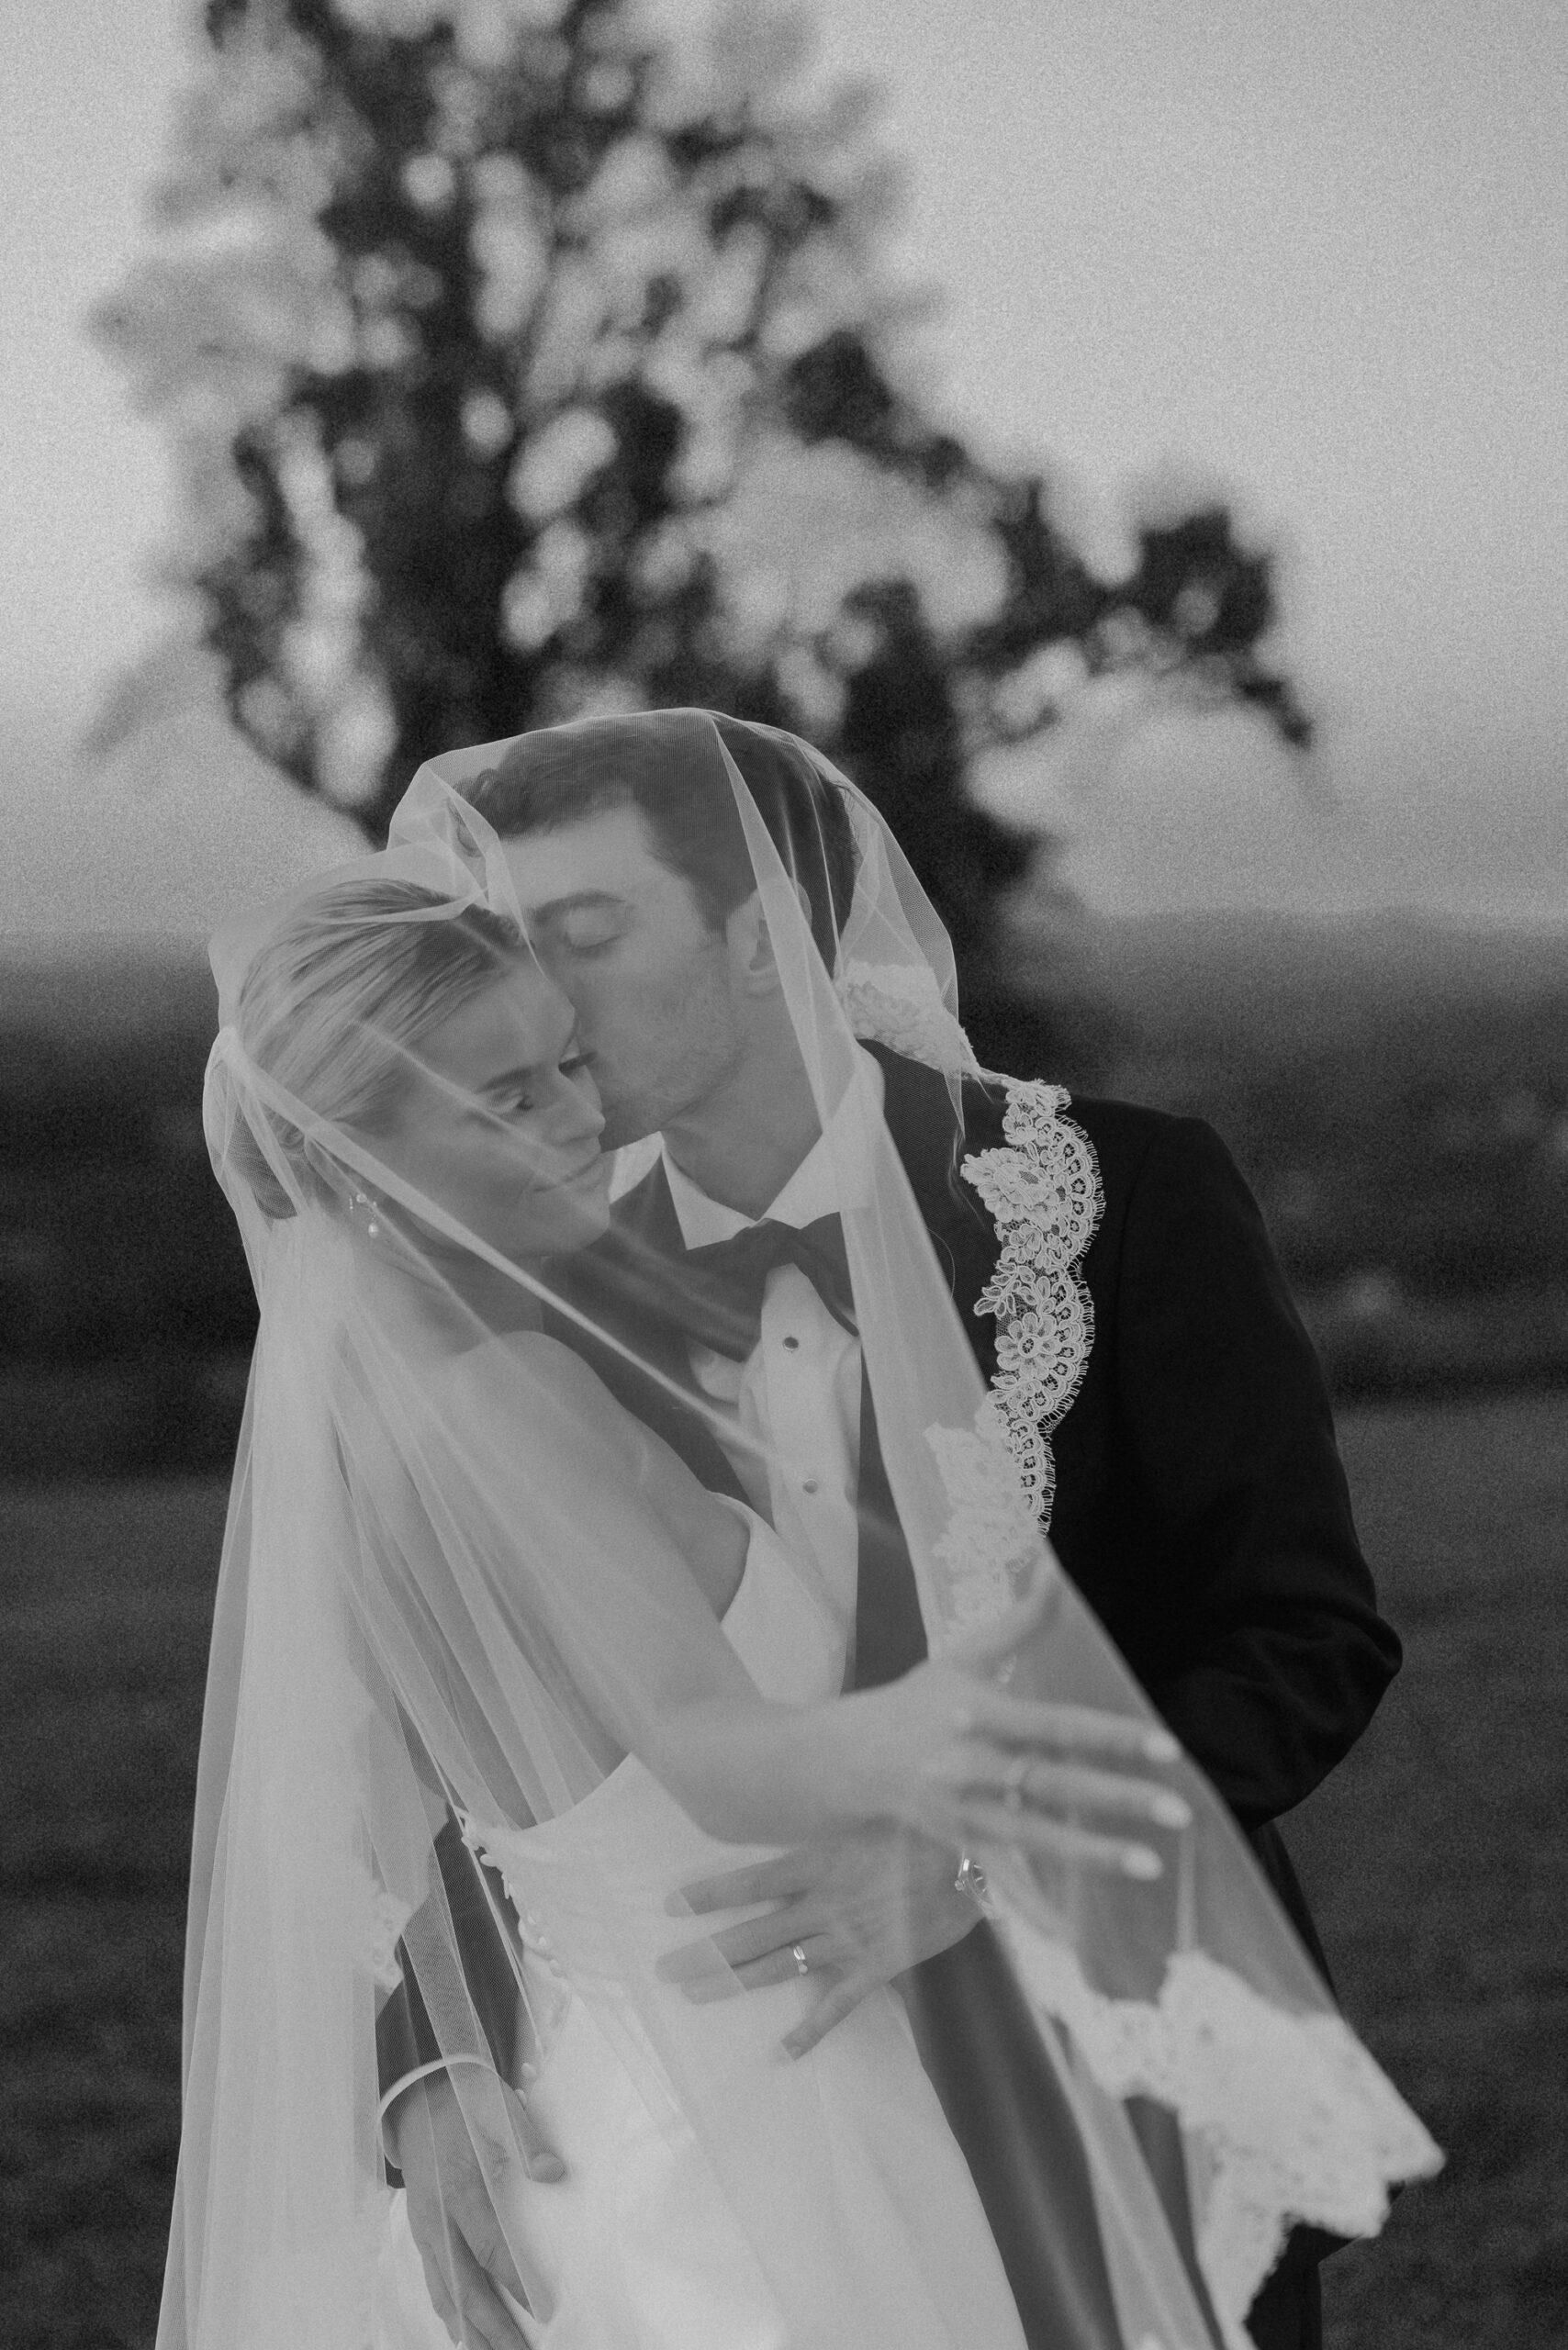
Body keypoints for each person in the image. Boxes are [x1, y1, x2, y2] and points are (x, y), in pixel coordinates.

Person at [165, 717, 1437, 2350]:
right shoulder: (520, 1280)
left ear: (762, 936)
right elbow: (445, 1725)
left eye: (584, 931)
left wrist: (988, 1859)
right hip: (722, 2149)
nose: (532, 984)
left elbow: (1301, 1642)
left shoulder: (1121, 1199)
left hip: (1127, 2083)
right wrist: (432, 2060)